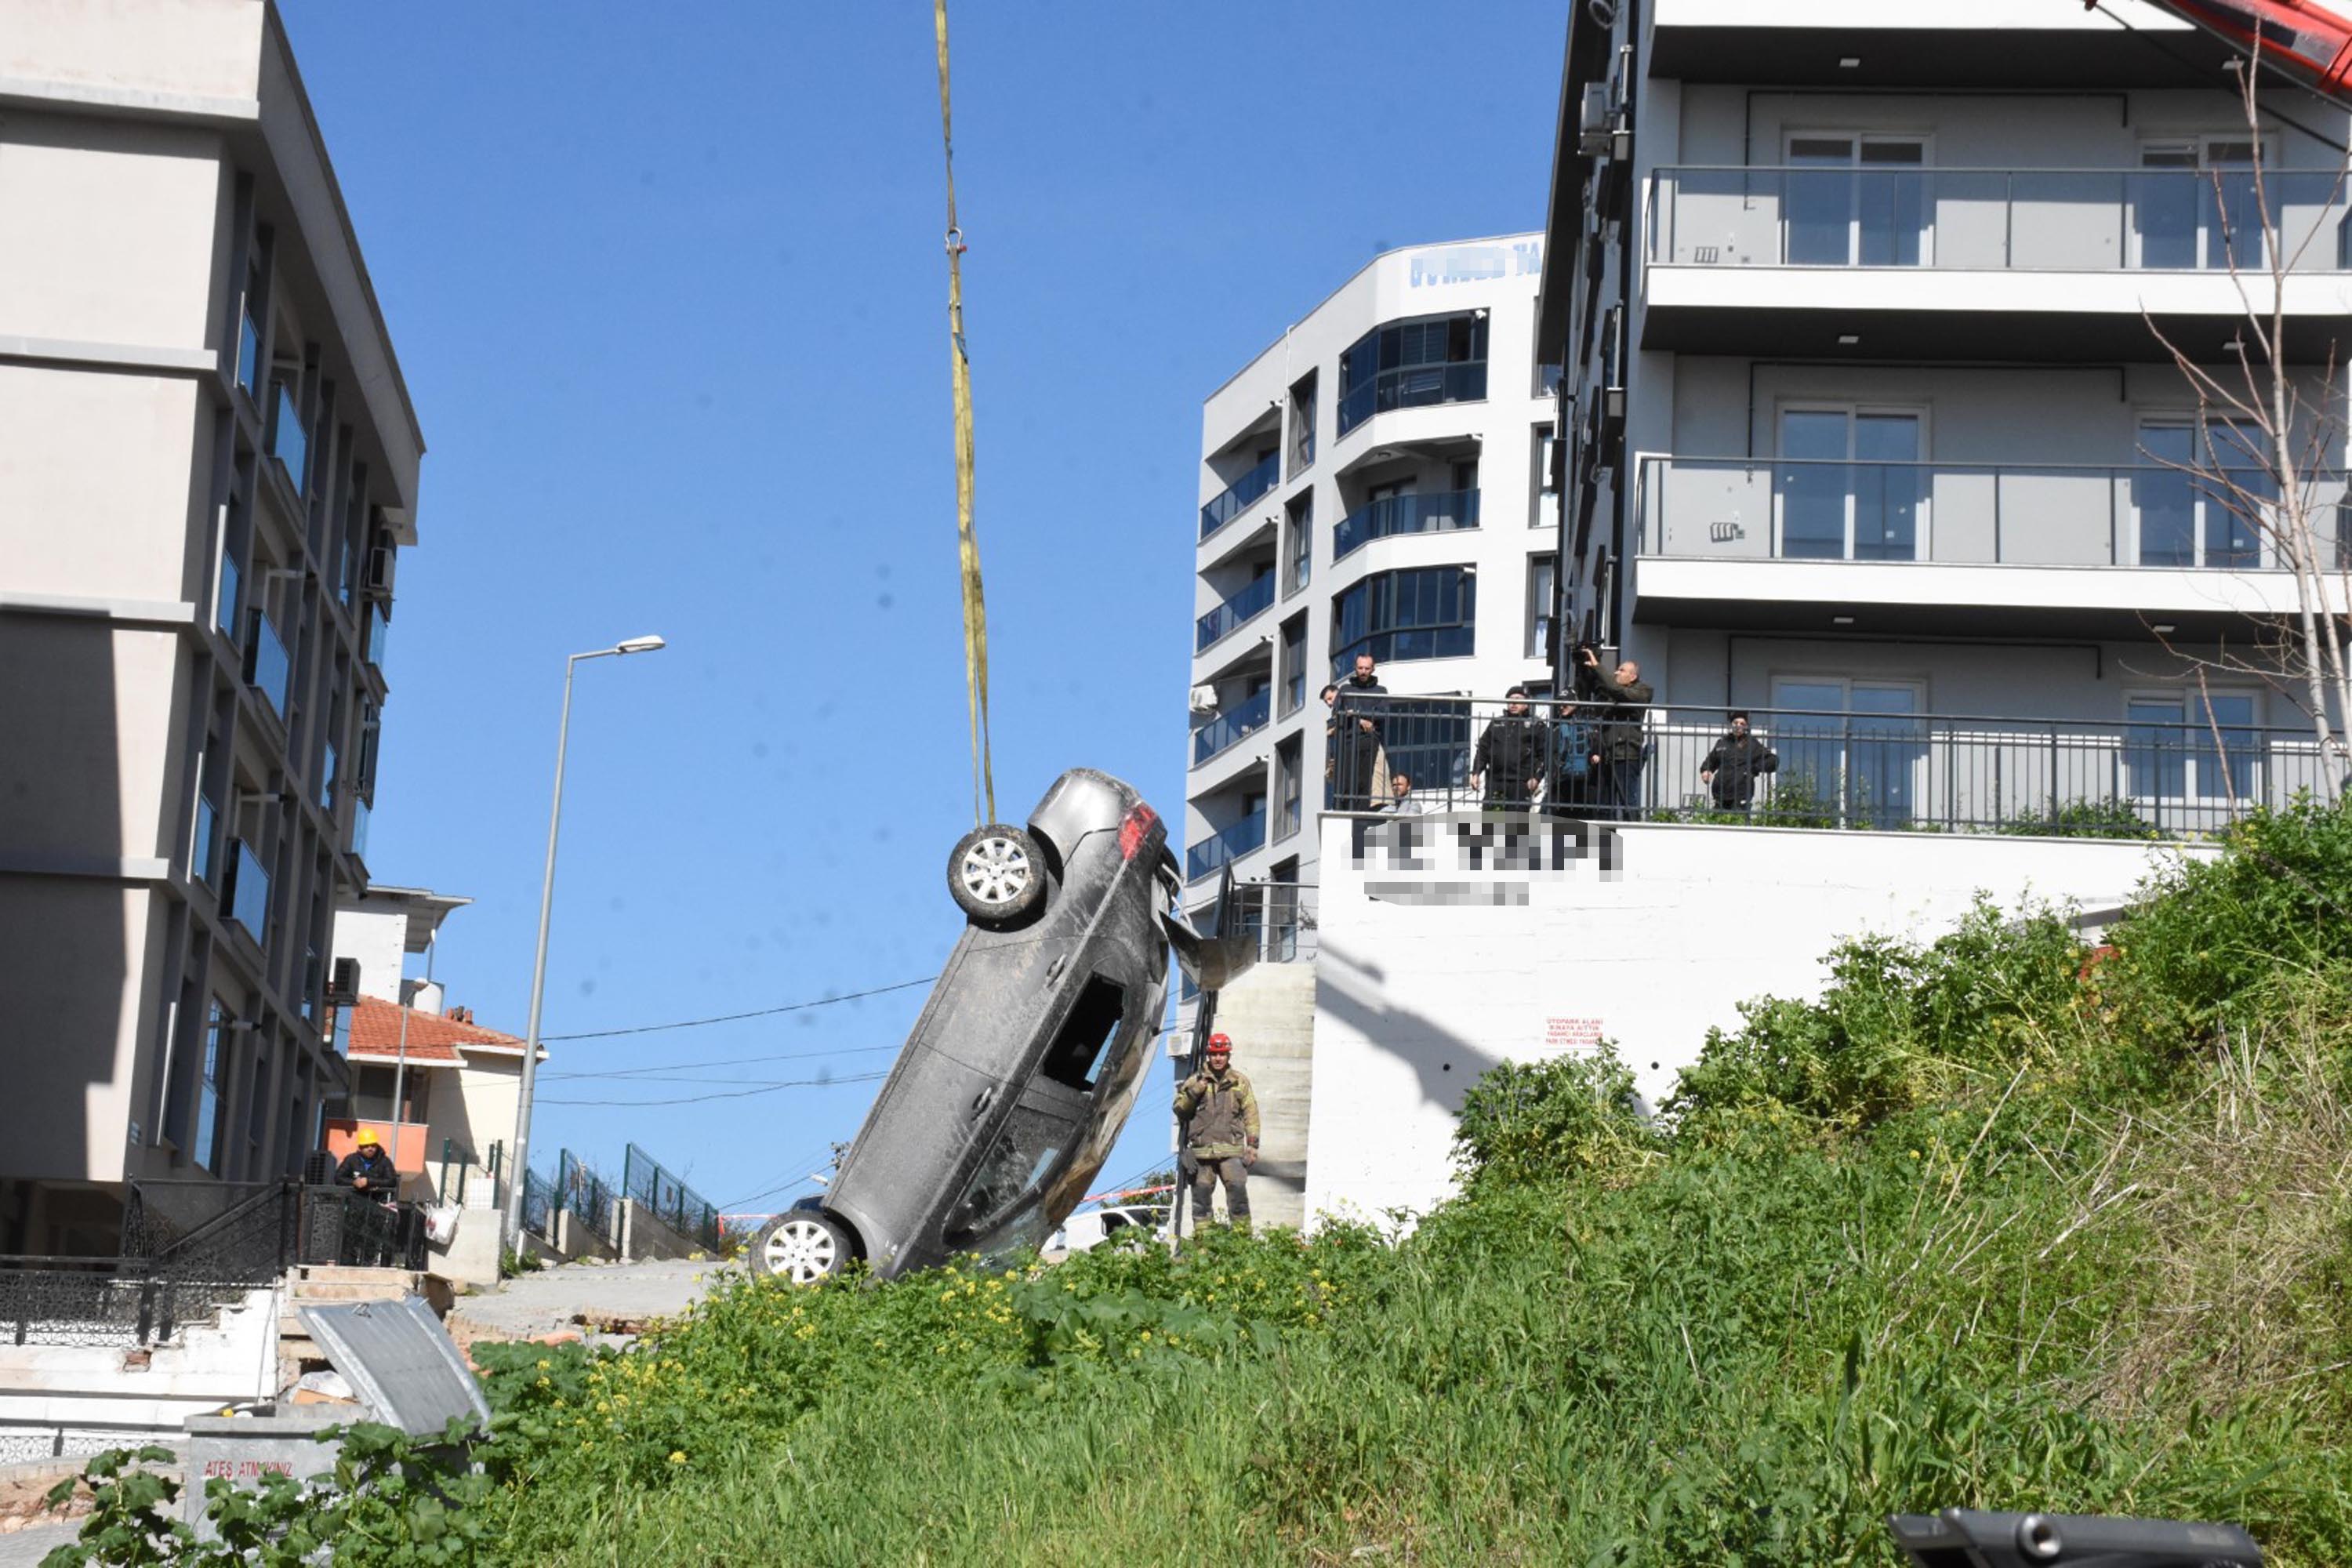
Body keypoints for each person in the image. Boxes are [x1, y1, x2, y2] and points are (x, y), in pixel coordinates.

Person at [1173, 1033, 1259, 1227]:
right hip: (1201, 1153)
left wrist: (1252, 1146)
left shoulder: (1240, 1082)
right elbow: (1179, 1110)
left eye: (1222, 1054)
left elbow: (1251, 1114)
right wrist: (1195, 1092)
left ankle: (1242, 1242)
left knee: (1238, 1198)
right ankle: (1204, 1246)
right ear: (1208, 1056)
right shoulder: (1195, 1080)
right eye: (1214, 1054)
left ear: (1229, 1056)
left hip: (1231, 1151)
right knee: (1201, 1203)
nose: (1218, 1059)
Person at [1577, 647, 1653, 821]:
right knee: (1605, 803)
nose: (1616, 672)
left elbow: (1617, 690)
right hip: (1608, 753)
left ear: (1633, 676)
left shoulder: (1642, 691)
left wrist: (1598, 666)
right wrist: (1589, 672)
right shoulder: (1611, 693)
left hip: (1626, 754)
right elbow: (1601, 692)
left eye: (1621, 670)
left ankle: (1633, 836)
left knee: (1627, 801)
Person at [1470, 686, 1549, 810]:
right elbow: (1483, 749)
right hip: (1496, 782)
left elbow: (1544, 755)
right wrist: (1476, 773)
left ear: (1527, 703)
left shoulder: (1536, 725)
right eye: (1510, 699)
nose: (1513, 703)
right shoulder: (1496, 723)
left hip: (1521, 783)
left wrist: (1537, 778)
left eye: (1518, 699)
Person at [1331, 654, 1388, 810]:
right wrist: (1360, 719)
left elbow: (1383, 713)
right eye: (1360, 668)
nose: (1363, 671)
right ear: (1355, 668)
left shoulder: (1380, 690)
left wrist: (1354, 713)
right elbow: (1337, 712)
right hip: (1349, 738)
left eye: (1367, 668)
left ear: (1373, 669)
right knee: (1347, 778)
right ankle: (1342, 810)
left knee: (1364, 779)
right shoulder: (1346, 689)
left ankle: (1360, 813)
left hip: (1370, 738)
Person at [1699, 710, 1778, 813]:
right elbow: (1711, 761)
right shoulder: (1722, 742)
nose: (1738, 726)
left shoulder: (1752, 744)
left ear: (1746, 727)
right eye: (1735, 723)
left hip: (1740, 795)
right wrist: (1706, 770)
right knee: (1718, 826)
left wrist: (1754, 769)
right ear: (1731, 725)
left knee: (1738, 824)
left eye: (1742, 724)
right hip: (1720, 795)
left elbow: (1773, 760)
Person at [1547, 699, 1597, 818]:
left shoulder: (1586, 725)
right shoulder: (1556, 725)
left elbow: (1596, 745)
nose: (1562, 707)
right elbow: (1550, 752)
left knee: (1581, 816)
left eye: (1566, 704)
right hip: (1561, 778)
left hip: (1582, 779)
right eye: (1560, 704)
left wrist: (1596, 755)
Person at [334, 1127, 398, 1195]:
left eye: (373, 1145)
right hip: (353, 1200)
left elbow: (392, 1181)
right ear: (359, 1148)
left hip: (377, 1201)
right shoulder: (351, 1159)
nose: (370, 1148)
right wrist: (354, 1182)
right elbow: (338, 1178)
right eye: (366, 1146)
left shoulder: (385, 1161)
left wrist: (369, 1181)